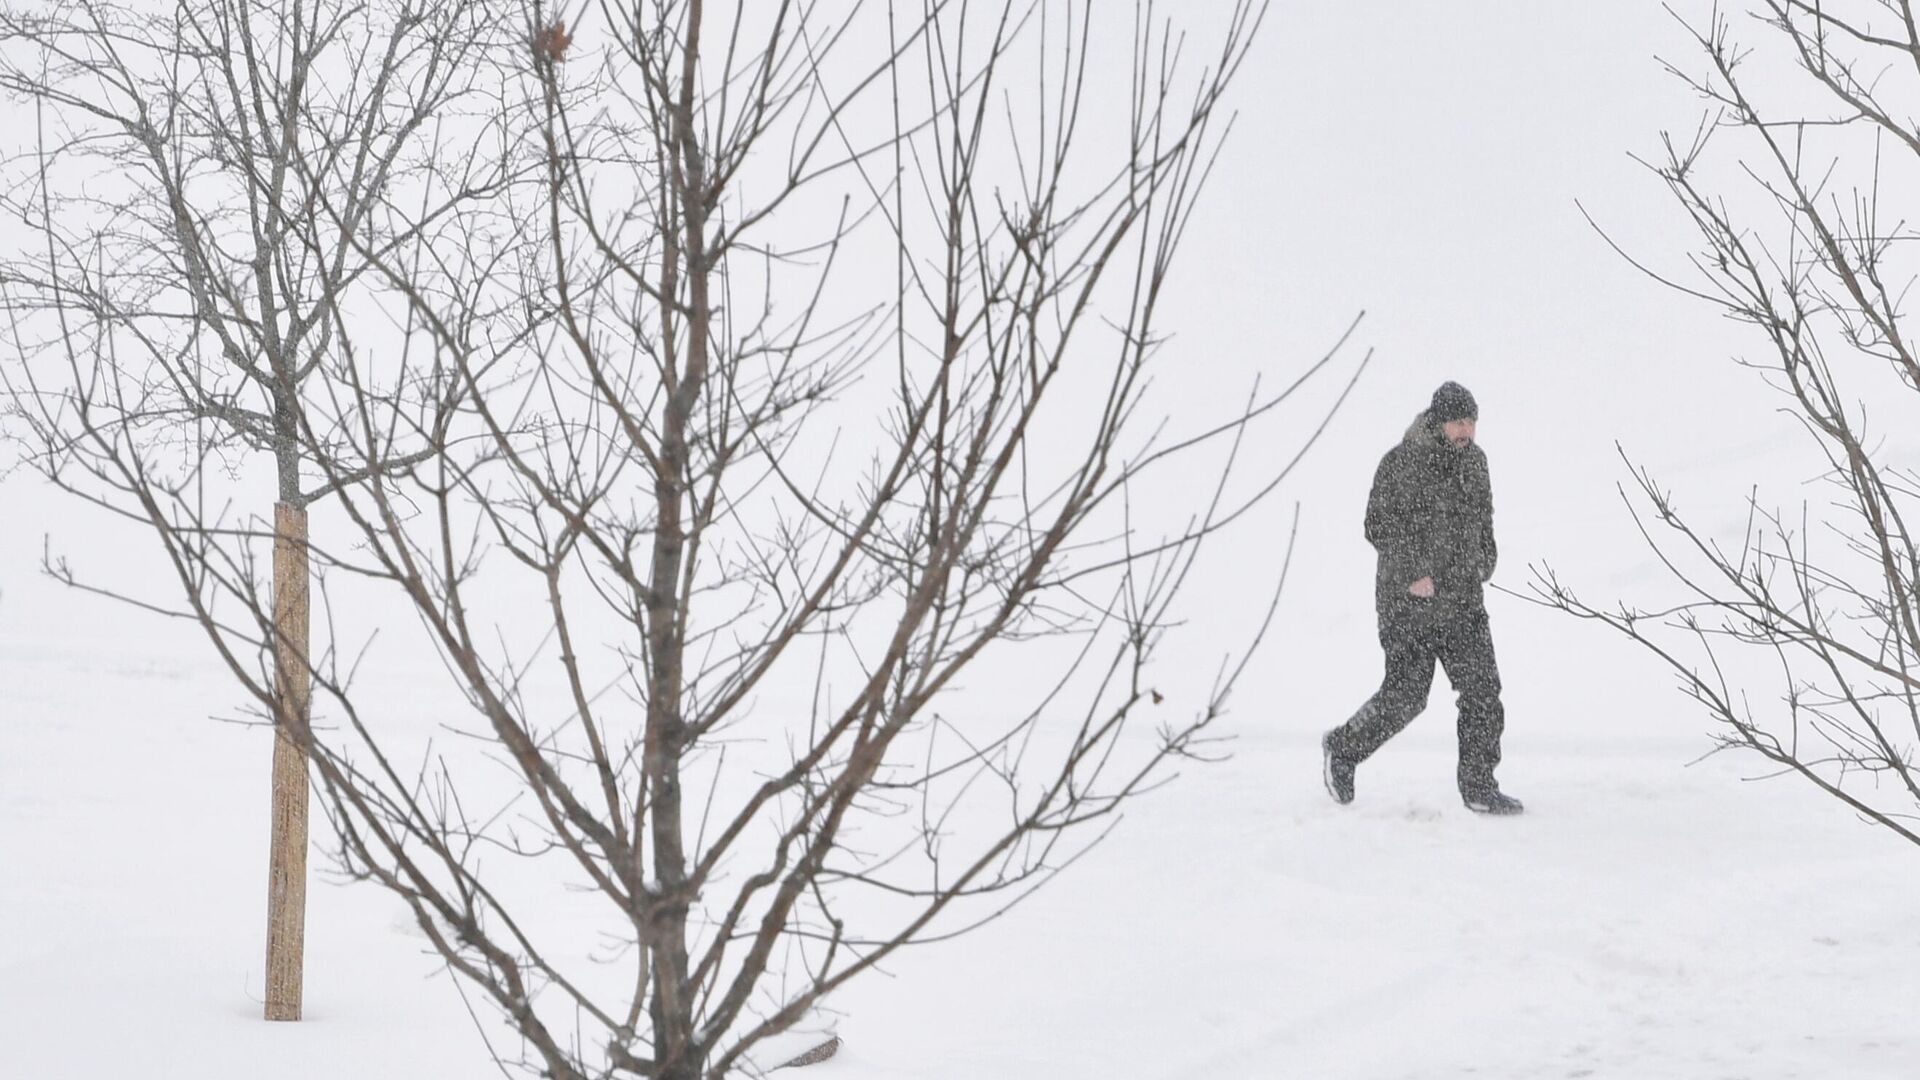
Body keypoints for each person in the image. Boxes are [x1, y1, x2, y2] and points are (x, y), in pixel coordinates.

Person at [1322, 381, 1524, 815]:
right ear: (1437, 421)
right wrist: (1414, 572)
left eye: (1472, 422)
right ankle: (1342, 748)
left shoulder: (1477, 463)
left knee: (1483, 690)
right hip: (1407, 602)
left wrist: (1485, 560)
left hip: (1462, 599)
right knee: (1407, 696)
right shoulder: (1401, 461)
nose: (1466, 431)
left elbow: (1482, 519)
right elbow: (1377, 525)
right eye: (1458, 422)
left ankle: (1479, 787)